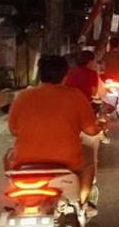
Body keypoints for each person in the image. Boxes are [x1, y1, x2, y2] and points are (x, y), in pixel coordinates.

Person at [6, 55, 101, 214]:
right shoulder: (75, 96)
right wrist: (99, 127)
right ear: (65, 75)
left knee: (7, 156)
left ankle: (16, 190)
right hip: (66, 161)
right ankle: (83, 203)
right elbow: (90, 130)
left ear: (40, 74)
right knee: (89, 157)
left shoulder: (23, 96)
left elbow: (13, 130)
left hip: (24, 162)